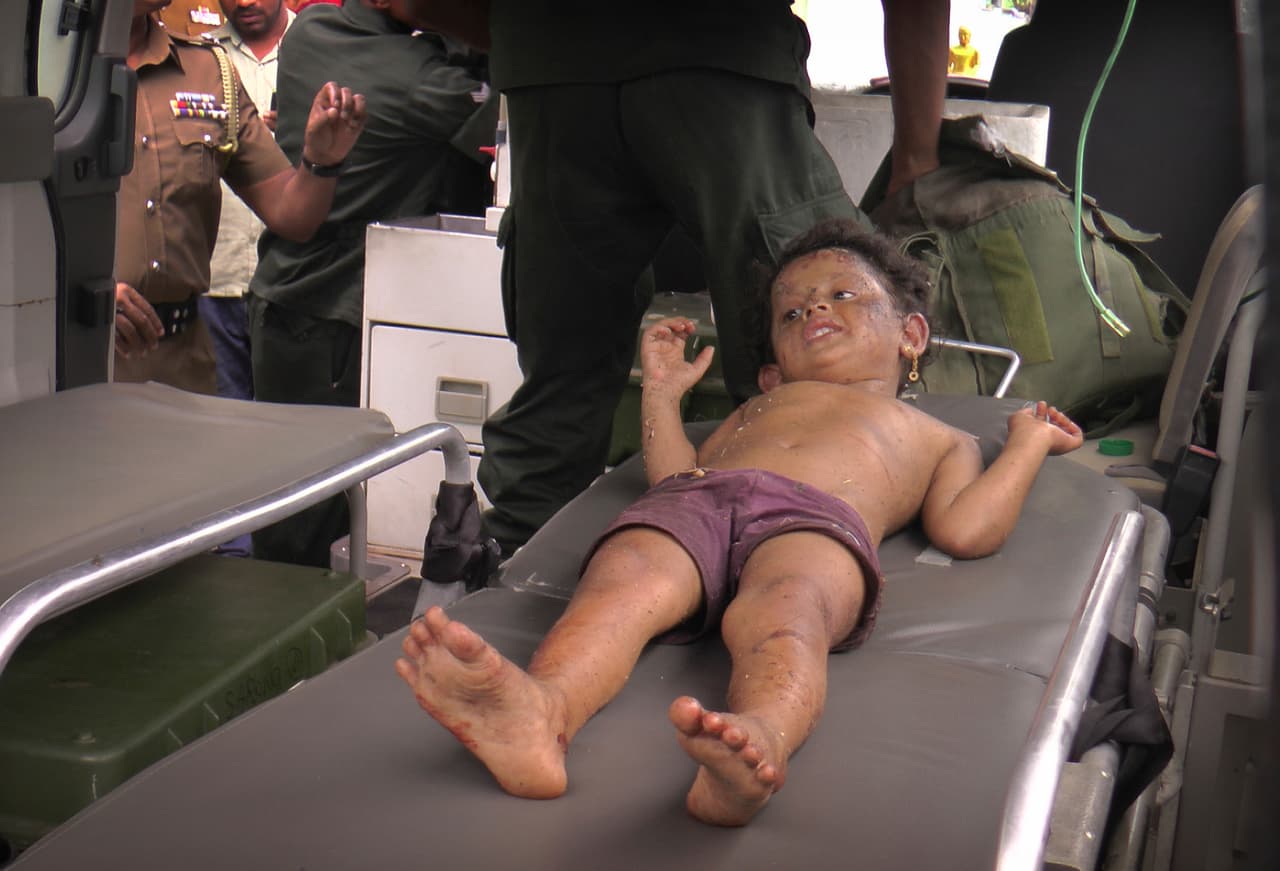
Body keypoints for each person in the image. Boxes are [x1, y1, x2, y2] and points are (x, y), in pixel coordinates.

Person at [394, 219, 1084, 826]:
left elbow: (967, 528)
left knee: (789, 612)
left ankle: (759, 739)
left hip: (815, 520)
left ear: (911, 334)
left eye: (843, 294)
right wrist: (661, 393)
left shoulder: (937, 436)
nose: (813, 305)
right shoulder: (755, 411)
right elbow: (674, 477)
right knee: (623, 578)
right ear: (771, 373)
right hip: (701, 497)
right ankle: (544, 712)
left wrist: (1024, 444)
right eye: (790, 312)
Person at [401, 0, 952, 557]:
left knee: (561, 385)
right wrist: (916, 152)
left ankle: (495, 581)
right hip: (720, 52)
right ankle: (821, 564)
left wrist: (557, 41)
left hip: (555, 73)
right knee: (835, 357)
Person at [246, 0, 497, 567]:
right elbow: (498, 104)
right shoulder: (406, 71)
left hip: (296, 305)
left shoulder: (314, 28)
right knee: (308, 520)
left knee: (303, 506)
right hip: (324, 314)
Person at [114, 0, 367, 395]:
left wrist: (321, 161)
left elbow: (291, 215)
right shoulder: (41, 75)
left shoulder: (206, 70)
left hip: (184, 369)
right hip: (77, 355)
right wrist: (84, 290)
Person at [200, 0, 296, 402]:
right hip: (216, 281)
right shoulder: (201, 61)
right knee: (220, 428)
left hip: (294, 286)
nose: (244, 2)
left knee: (290, 432)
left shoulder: (320, 52)